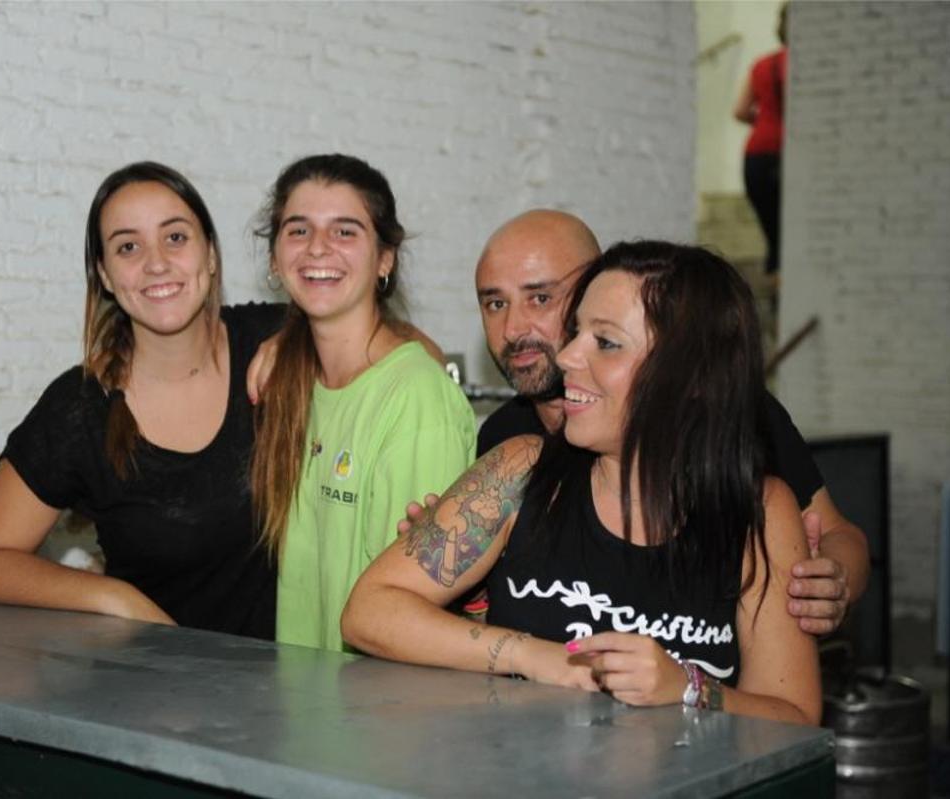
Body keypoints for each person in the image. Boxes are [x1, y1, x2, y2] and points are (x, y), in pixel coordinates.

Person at [343, 241, 821, 724]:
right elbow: (370, 611)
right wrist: (533, 656)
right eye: (575, 333)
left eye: (606, 343)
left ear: (692, 377)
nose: (568, 356)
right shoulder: (520, 469)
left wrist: (688, 688)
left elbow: (795, 716)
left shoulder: (759, 512)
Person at [465, 209, 867, 634]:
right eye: (495, 303)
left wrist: (831, 582)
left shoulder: (735, 417)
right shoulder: (505, 439)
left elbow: (839, 533)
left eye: (540, 298)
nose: (513, 328)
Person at [0, 162, 281, 637]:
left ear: (210, 254)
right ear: (104, 274)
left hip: (294, 675)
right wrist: (115, 596)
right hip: (151, 678)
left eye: (175, 237)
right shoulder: (82, 407)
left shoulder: (275, 341)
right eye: (128, 247)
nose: (156, 263)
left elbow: (394, 348)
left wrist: (306, 338)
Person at [251, 154, 475, 652]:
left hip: (377, 697)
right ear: (274, 258)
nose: (318, 247)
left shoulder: (417, 400)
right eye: (298, 230)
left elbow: (414, 613)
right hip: (300, 693)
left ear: (385, 259)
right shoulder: (289, 381)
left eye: (345, 231)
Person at [734, 3, 788, 275]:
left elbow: (740, 110)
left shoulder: (762, 65)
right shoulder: (812, 67)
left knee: (774, 234)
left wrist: (766, 121)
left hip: (756, 156)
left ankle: (776, 282)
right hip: (787, 155)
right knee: (790, 233)